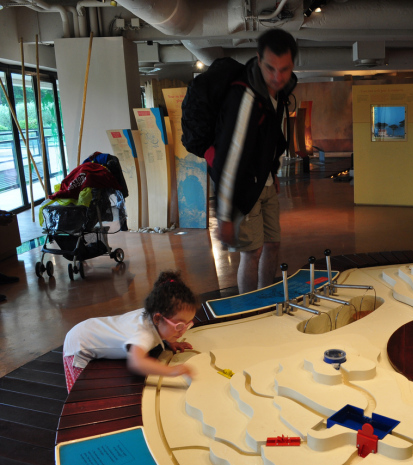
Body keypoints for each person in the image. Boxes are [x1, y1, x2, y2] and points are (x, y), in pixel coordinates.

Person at [210, 29, 298, 294]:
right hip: (245, 189)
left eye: (284, 69)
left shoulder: (279, 93)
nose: (277, 77)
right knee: (252, 251)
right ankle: (249, 312)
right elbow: (228, 157)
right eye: (270, 68)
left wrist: (273, 172)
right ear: (258, 60)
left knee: (272, 245)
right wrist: (224, 215)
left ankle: (266, 300)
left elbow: (271, 138)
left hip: (266, 183)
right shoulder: (245, 98)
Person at [62, 271, 197, 392]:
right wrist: (172, 371)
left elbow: (163, 327)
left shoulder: (152, 315)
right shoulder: (143, 334)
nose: (183, 331)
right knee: (80, 392)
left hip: (89, 329)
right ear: (158, 318)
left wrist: (170, 340)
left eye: (187, 324)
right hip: (78, 345)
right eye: (179, 326)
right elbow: (137, 363)